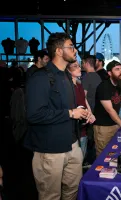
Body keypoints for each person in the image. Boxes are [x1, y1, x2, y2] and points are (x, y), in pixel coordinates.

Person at [25, 32, 92, 200]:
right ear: (59, 51)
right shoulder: (40, 77)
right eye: (71, 47)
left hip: (72, 145)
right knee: (50, 196)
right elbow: (34, 115)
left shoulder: (66, 77)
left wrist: (79, 112)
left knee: (72, 191)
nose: (75, 50)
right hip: (50, 151)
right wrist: (70, 113)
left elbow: (62, 108)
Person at [93, 60, 121, 157]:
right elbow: (110, 109)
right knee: (104, 156)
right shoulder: (104, 87)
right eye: (117, 69)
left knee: (116, 152)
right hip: (103, 127)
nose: (120, 71)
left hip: (115, 124)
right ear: (109, 73)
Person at [66, 61, 96, 159]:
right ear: (67, 70)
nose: (79, 68)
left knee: (80, 159)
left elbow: (84, 100)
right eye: (75, 66)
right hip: (74, 129)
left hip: (83, 128)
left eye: (79, 66)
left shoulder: (79, 85)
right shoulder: (67, 87)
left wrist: (90, 113)